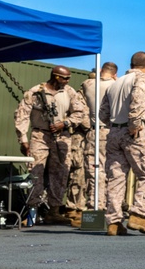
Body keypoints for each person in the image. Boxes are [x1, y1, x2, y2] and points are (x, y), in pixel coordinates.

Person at [13, 65, 89, 226]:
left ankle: (54, 210)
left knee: (61, 173)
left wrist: (65, 123)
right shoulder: (35, 92)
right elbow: (22, 115)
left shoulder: (69, 92)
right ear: (55, 76)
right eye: (64, 78)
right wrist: (23, 140)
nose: (67, 81)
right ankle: (33, 210)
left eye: (68, 78)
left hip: (62, 136)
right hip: (40, 135)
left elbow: (79, 113)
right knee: (36, 171)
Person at [100, 51, 145, 237]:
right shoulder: (143, 78)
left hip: (114, 131)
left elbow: (103, 113)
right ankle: (138, 215)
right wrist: (135, 124)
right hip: (133, 131)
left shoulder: (115, 83)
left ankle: (114, 222)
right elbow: (139, 99)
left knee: (116, 177)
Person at [81, 62, 117, 212]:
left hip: (95, 131)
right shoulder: (116, 86)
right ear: (115, 74)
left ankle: (95, 204)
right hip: (112, 131)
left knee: (94, 170)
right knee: (112, 170)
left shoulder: (89, 85)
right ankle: (108, 205)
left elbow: (88, 81)